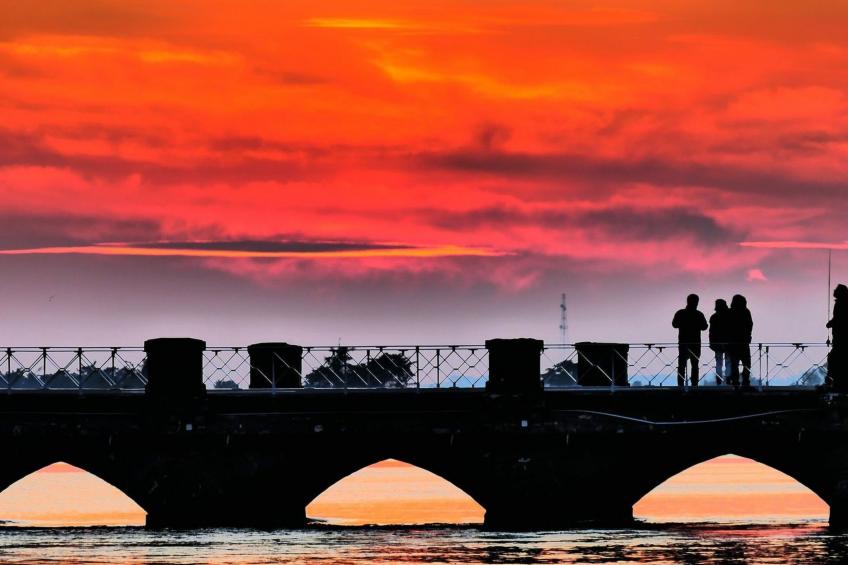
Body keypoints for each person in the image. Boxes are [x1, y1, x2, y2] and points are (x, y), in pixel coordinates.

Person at [672, 294, 708, 386]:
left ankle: (680, 385)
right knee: (695, 365)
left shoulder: (680, 313)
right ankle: (694, 385)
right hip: (695, 343)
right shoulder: (699, 314)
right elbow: (704, 327)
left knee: (681, 365)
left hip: (683, 342)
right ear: (697, 302)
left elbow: (674, 324)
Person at [728, 294, 753, 387]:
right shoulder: (746, 312)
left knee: (734, 363)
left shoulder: (730, 312)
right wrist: (748, 335)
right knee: (746, 363)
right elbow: (750, 325)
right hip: (743, 341)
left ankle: (735, 381)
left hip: (733, 342)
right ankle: (745, 381)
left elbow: (727, 327)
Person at [826, 284, 848, 390]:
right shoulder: (843, 303)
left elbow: (839, 318)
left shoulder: (841, 304)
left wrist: (831, 323)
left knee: (835, 358)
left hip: (840, 337)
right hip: (841, 337)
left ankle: (837, 381)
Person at [709, 299, 732, 384]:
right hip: (729, 342)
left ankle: (719, 379)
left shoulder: (714, 317)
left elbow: (711, 331)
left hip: (717, 342)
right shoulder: (730, 315)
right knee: (728, 361)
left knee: (719, 362)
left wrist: (712, 343)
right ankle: (728, 379)